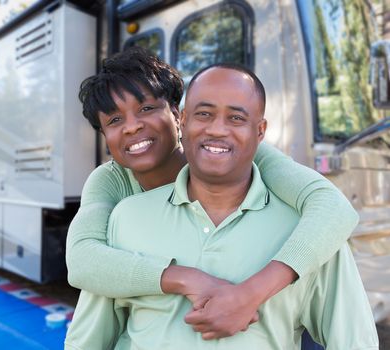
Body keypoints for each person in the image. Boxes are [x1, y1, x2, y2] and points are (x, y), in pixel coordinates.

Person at [64, 48, 360, 348]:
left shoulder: (235, 151)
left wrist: (249, 295)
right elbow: (83, 261)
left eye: (146, 108)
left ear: (177, 116)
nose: (132, 126)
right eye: (114, 120)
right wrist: (186, 278)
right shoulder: (115, 193)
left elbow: (333, 207)